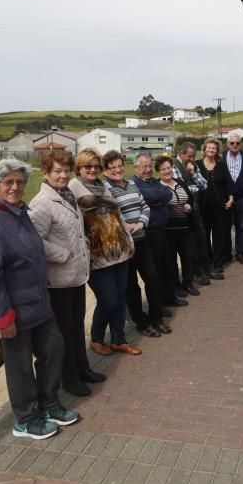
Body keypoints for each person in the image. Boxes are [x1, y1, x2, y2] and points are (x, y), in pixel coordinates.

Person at [0, 159, 78, 440]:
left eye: (20, 182)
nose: (15, 187)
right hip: (13, 311)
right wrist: (2, 318)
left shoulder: (19, 212)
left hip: (38, 303)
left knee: (54, 349)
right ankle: (24, 419)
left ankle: (48, 404)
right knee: (20, 366)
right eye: (8, 182)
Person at [29, 150, 106, 397]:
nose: (62, 176)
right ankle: (69, 379)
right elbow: (34, 240)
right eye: (56, 172)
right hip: (58, 280)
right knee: (64, 332)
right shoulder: (42, 203)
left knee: (76, 326)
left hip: (75, 276)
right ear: (46, 173)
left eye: (65, 171)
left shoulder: (68, 194)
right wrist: (62, 254)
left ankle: (83, 369)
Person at [69, 149, 141, 356]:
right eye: (87, 166)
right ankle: (97, 338)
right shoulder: (74, 187)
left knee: (119, 298)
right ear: (79, 168)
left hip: (119, 251)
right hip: (96, 256)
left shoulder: (103, 185)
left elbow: (118, 217)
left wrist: (129, 242)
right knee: (108, 299)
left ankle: (119, 340)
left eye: (96, 166)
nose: (92, 169)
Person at [103, 150, 171, 337]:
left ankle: (156, 318)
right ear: (106, 171)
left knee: (153, 278)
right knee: (131, 286)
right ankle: (141, 322)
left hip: (142, 238)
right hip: (125, 243)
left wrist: (141, 223)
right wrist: (127, 227)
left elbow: (145, 206)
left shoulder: (132, 184)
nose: (117, 170)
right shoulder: (105, 188)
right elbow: (111, 214)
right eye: (112, 167)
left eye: (119, 166)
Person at [132, 154, 188, 309]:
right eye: (144, 167)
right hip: (149, 234)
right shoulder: (134, 183)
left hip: (163, 231)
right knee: (154, 273)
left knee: (168, 267)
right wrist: (158, 198)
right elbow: (151, 195)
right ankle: (159, 305)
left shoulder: (154, 182)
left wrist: (157, 199)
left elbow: (167, 194)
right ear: (136, 168)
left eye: (150, 166)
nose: (148, 169)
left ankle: (170, 297)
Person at [155, 155, 199, 297]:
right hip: (168, 231)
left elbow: (190, 200)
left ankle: (188, 282)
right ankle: (176, 285)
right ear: (158, 172)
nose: (167, 171)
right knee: (171, 260)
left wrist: (189, 206)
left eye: (169, 168)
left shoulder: (180, 182)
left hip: (185, 228)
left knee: (188, 256)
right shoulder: (157, 187)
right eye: (163, 169)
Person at [173, 142, 211, 286]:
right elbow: (181, 189)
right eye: (189, 156)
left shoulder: (193, 166)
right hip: (182, 213)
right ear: (182, 154)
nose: (191, 159)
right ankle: (195, 273)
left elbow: (204, 185)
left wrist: (193, 173)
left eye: (193, 156)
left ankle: (204, 269)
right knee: (190, 246)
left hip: (195, 209)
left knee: (201, 240)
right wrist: (194, 187)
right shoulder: (174, 166)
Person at [196, 138, 234, 277]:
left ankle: (217, 264)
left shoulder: (221, 165)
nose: (211, 150)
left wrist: (231, 198)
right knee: (204, 236)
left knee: (219, 236)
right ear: (204, 149)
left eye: (214, 148)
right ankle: (208, 262)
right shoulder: (197, 165)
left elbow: (228, 183)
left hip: (219, 206)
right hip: (202, 207)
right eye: (209, 148)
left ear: (217, 150)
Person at [222, 131, 243, 264]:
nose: (235, 145)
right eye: (232, 143)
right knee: (225, 227)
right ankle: (227, 254)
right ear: (227, 144)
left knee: (242, 226)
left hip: (242, 198)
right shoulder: (221, 157)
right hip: (226, 198)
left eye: (237, 143)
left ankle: (240, 253)